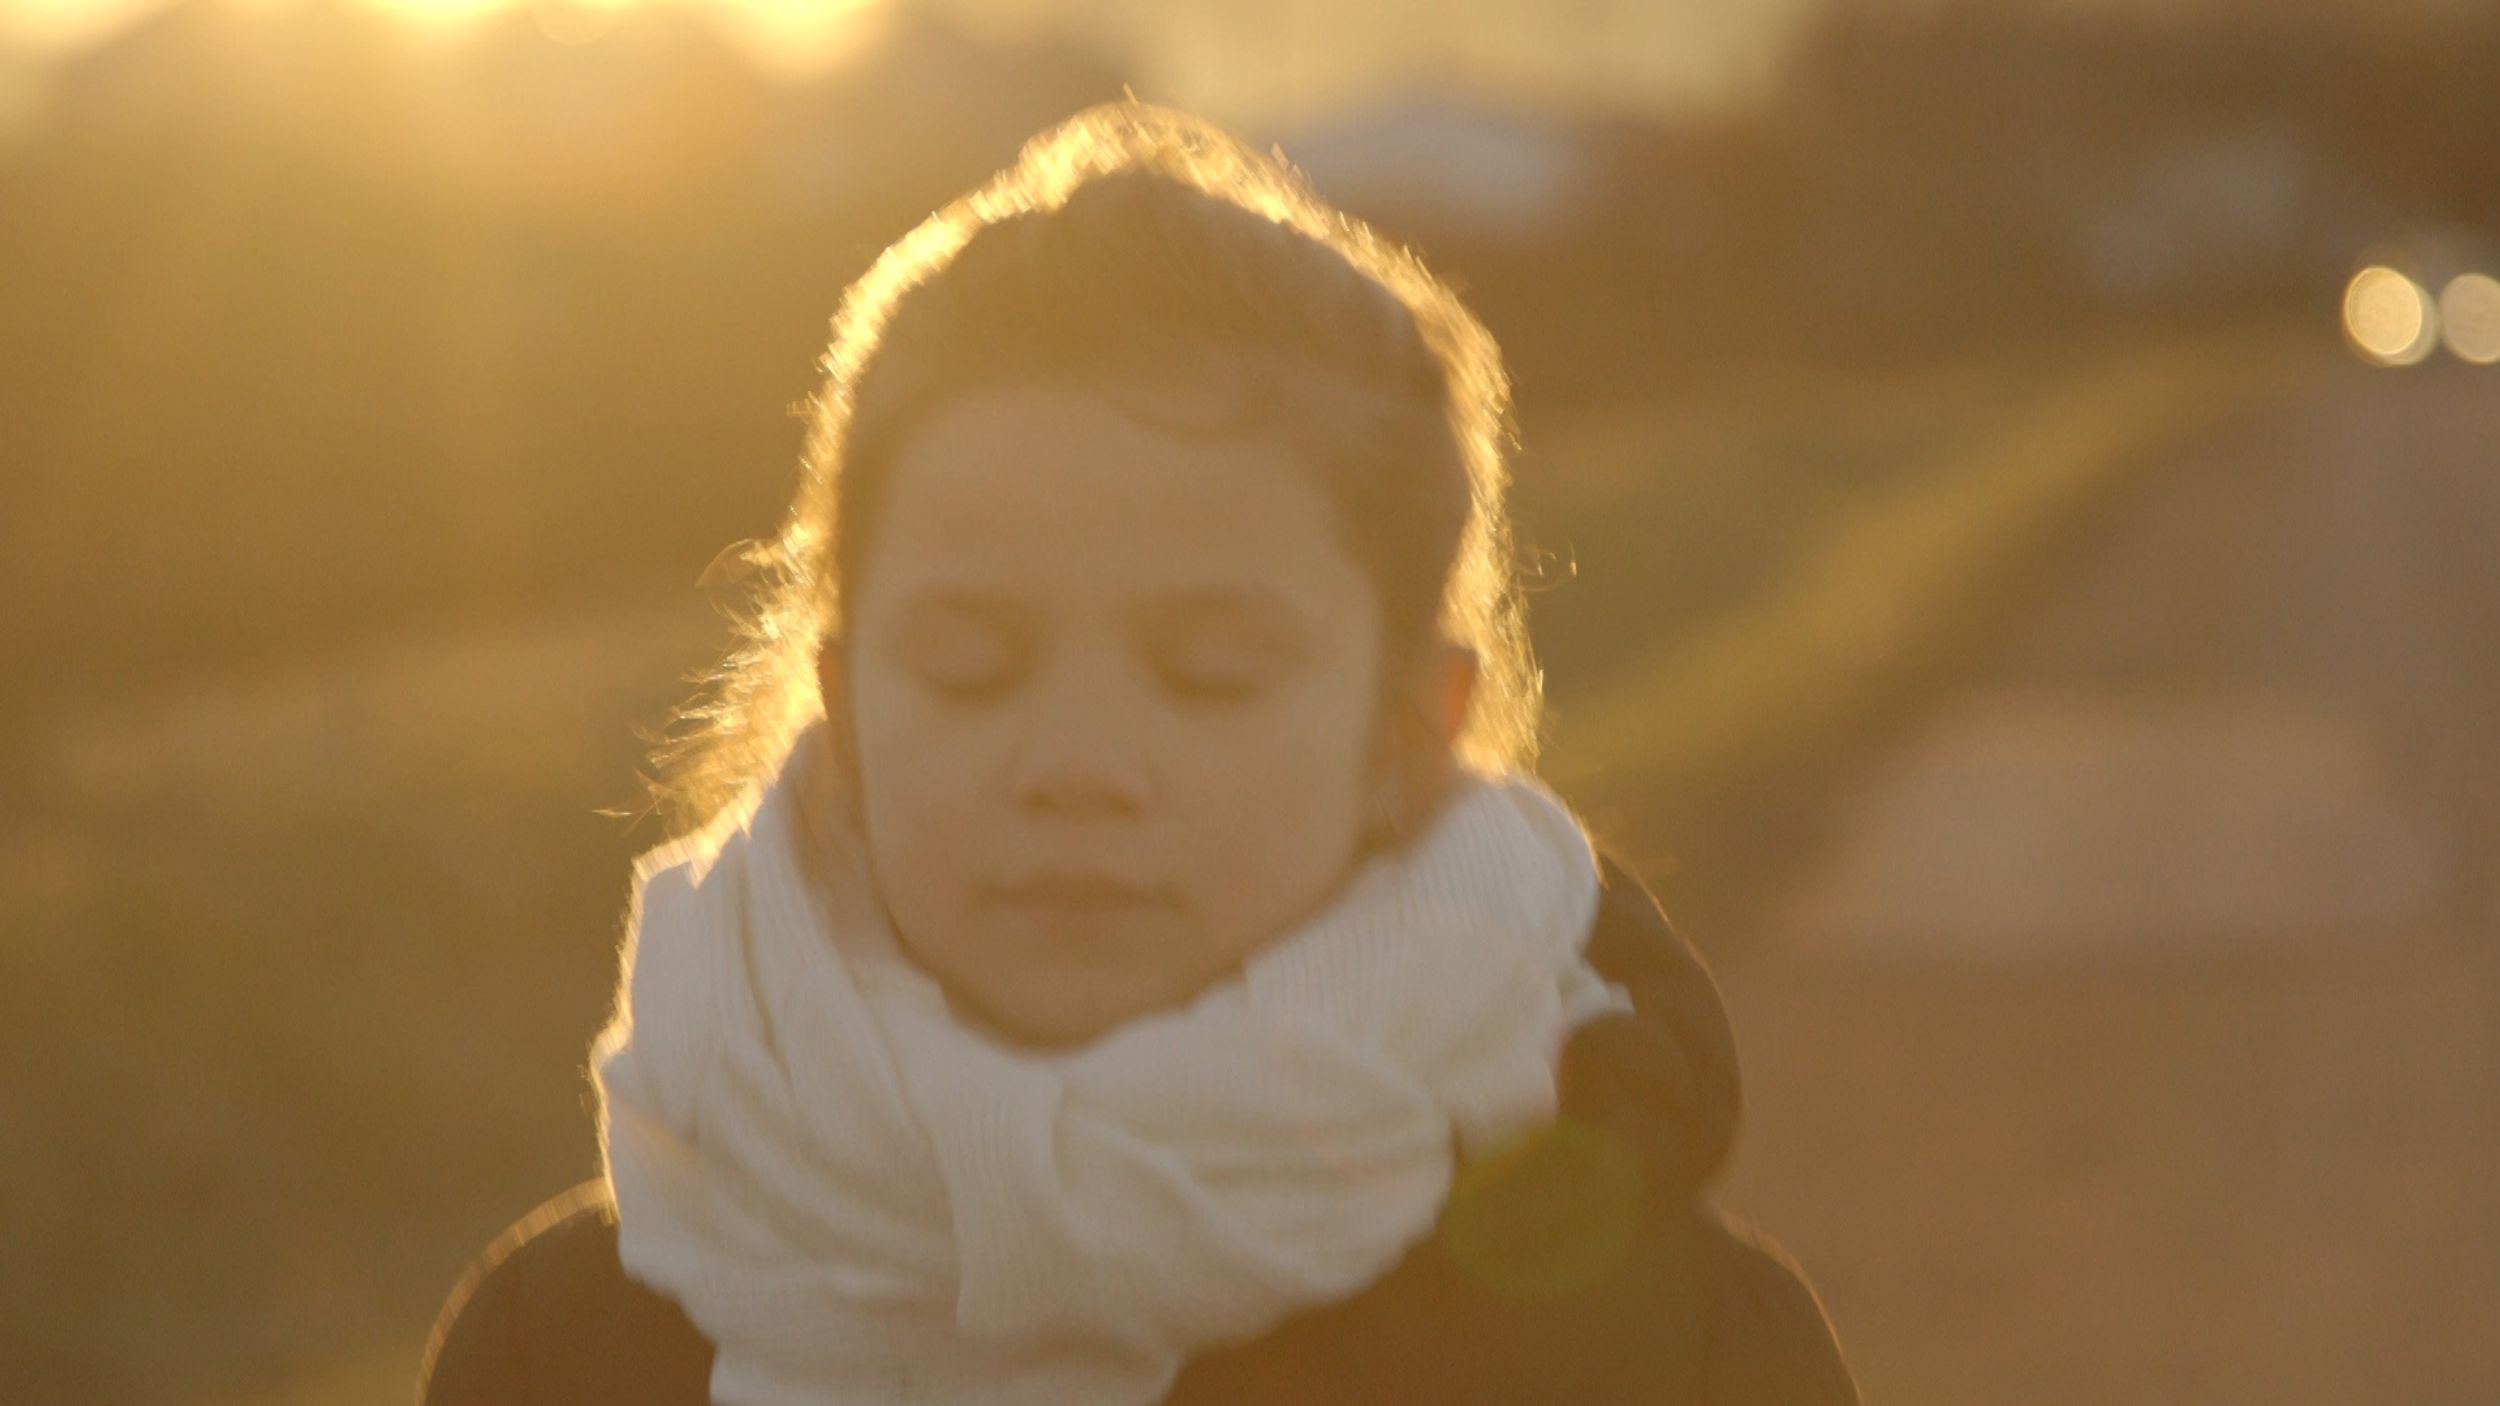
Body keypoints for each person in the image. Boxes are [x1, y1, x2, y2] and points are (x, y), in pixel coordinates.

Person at [418, 100, 1855, 1406]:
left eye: (1208, 675)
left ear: (1408, 733)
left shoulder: (1676, 1354)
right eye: (972, 667)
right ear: (846, 718)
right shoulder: (567, 1345)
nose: (1077, 764)